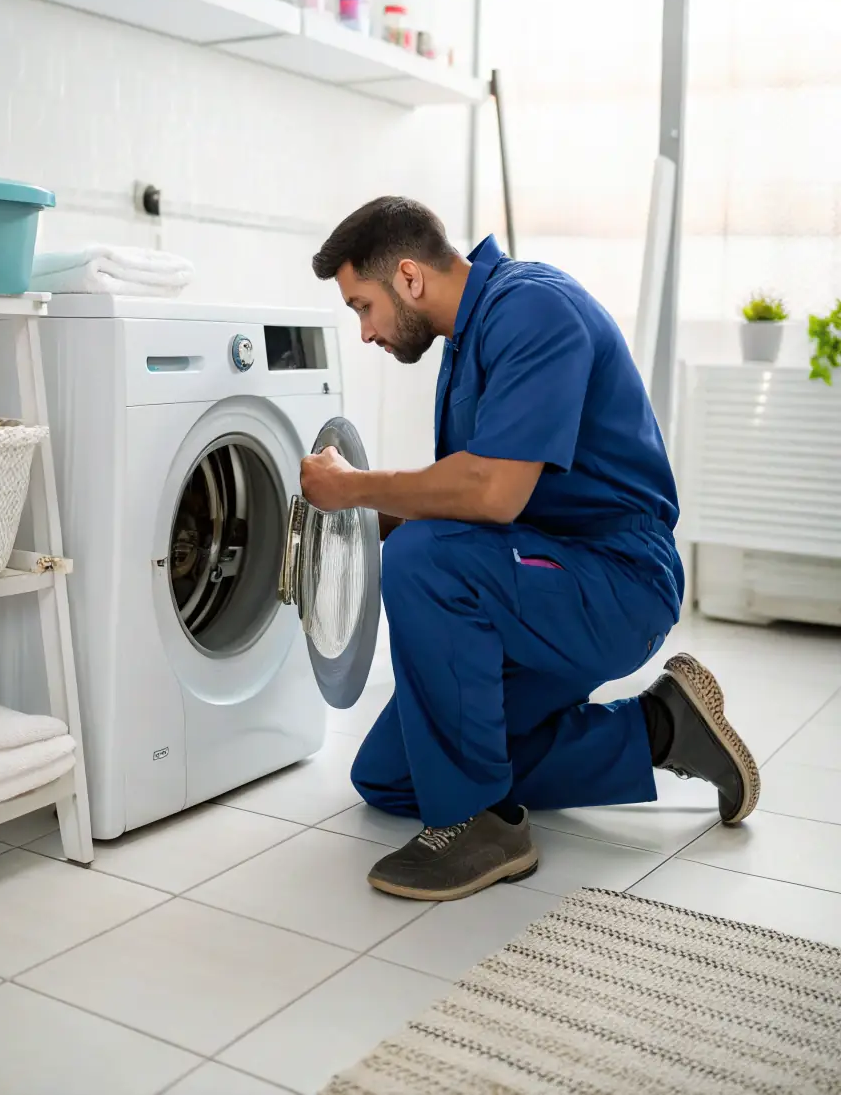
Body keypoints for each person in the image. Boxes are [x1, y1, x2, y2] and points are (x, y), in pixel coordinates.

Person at [301, 196, 759, 902]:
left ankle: (480, 825)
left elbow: (491, 495)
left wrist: (358, 487)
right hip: (543, 578)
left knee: (423, 557)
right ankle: (663, 729)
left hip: (617, 581)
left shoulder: (532, 311)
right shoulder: (468, 340)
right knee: (390, 776)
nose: (365, 331)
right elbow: (468, 507)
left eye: (364, 305)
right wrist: (358, 517)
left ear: (411, 278)